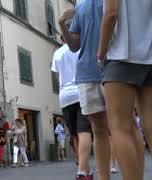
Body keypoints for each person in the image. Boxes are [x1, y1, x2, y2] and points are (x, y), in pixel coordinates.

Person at [97, 0, 151, 179]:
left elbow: (111, 14)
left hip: (122, 55)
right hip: (150, 53)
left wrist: (101, 53)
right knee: (149, 122)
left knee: (120, 126)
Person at [59, 2, 110, 179]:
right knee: (107, 130)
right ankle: (91, 171)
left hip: (101, 72)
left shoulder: (83, 8)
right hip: (91, 74)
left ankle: (84, 170)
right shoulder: (81, 8)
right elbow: (74, 46)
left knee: (99, 131)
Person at [51, 35, 93, 176]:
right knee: (84, 132)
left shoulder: (57, 53)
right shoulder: (81, 48)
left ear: (61, 38)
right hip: (81, 91)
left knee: (74, 133)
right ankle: (84, 169)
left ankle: (82, 167)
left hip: (65, 96)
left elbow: (57, 77)